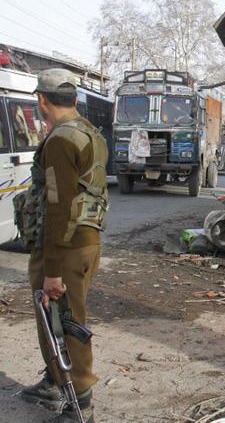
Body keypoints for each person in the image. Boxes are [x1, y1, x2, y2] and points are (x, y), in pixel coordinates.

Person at [18, 69, 109, 423]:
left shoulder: (60, 140)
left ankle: (80, 403)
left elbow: (58, 208)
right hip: (84, 241)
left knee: (65, 321)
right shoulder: (89, 132)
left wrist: (52, 271)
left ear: (42, 100)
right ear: (73, 99)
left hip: (64, 247)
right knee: (56, 318)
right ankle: (55, 382)